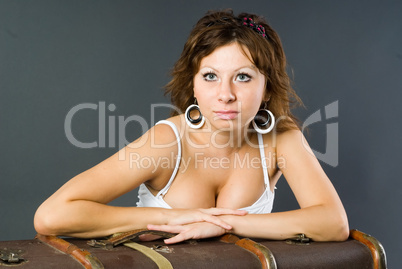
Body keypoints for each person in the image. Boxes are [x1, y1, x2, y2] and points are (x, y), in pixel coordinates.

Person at [34, 9, 349, 244]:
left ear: (266, 87)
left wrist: (226, 223)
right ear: (193, 85)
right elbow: (52, 215)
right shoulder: (166, 142)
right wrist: (173, 217)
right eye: (210, 76)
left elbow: (333, 223)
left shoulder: (281, 138)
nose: (225, 95)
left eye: (243, 76)